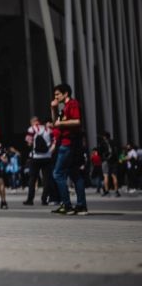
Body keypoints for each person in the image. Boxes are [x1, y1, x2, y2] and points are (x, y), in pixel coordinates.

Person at [50, 84, 88, 215]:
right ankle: (81, 206)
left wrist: (62, 123)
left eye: (57, 94)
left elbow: (77, 121)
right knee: (75, 174)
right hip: (69, 144)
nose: (55, 97)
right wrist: (53, 108)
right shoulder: (64, 107)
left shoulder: (72, 104)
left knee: (57, 174)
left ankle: (67, 205)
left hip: (68, 143)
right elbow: (55, 123)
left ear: (65, 94)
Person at [24, 117, 56, 205]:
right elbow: (54, 141)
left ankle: (30, 199)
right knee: (46, 179)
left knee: (32, 178)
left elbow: (29, 142)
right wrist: (50, 152)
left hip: (35, 157)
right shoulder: (48, 130)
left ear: (32, 122)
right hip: (47, 157)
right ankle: (44, 199)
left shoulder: (31, 129)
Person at [97, 131, 120, 198]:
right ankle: (116, 191)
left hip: (105, 161)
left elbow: (99, 153)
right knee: (114, 176)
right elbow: (117, 151)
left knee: (105, 176)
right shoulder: (113, 142)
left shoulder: (102, 143)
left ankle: (107, 191)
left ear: (104, 137)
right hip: (114, 161)